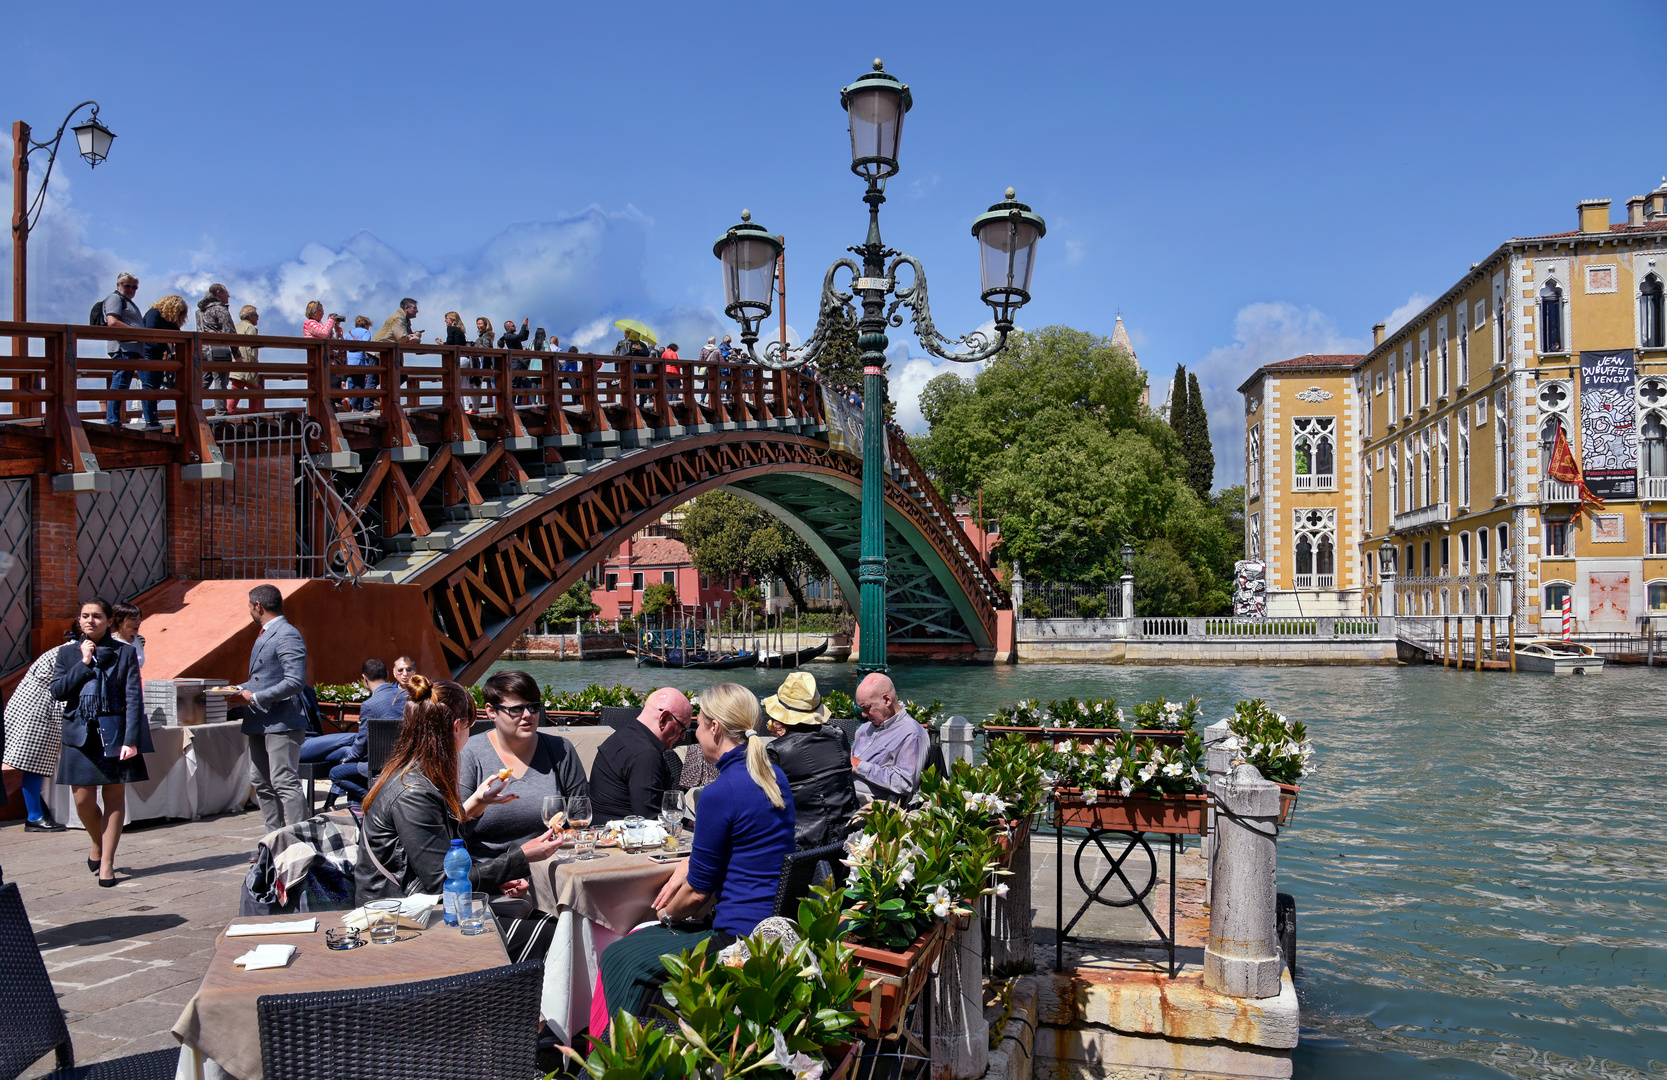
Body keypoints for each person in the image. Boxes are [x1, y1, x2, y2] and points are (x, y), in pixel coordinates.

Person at [598, 683, 794, 1024]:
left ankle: (630, 1056)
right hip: (771, 931)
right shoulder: (773, 776)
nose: (695, 734)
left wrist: (664, 918)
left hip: (736, 939)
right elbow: (746, 848)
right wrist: (691, 862)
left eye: (698, 725)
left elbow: (696, 893)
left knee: (619, 954)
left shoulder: (721, 792)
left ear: (714, 728)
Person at [355, 676, 564, 965]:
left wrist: (475, 805)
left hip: (421, 907)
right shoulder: (413, 792)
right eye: (470, 725)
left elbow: (438, 857)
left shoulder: (414, 776)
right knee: (557, 936)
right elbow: (442, 881)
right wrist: (521, 858)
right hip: (400, 922)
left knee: (547, 921)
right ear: (457, 728)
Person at [52, 599, 151, 886]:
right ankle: (98, 842)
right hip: (79, 733)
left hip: (114, 732)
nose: (90, 621)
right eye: (85, 616)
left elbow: (134, 697)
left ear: (109, 621)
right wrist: (84, 662)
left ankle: (107, 862)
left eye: (97, 616)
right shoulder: (67, 653)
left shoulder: (125, 652)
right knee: (82, 800)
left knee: (113, 797)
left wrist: (131, 739)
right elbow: (58, 691)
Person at [457, 670, 588, 862]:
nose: (528, 715)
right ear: (491, 711)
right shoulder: (469, 754)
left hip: (552, 864)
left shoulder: (561, 750)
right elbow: (455, 830)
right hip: (489, 869)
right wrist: (498, 875)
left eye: (534, 707)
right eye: (516, 709)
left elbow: (579, 816)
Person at [238, 584, 310, 832]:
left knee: (283, 780)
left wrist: (256, 697)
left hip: (282, 721)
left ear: (258, 606)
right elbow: (265, 677)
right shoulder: (268, 632)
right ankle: (275, 840)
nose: (249, 611)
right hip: (261, 721)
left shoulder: (286, 633)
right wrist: (238, 690)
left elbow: (295, 681)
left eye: (249, 606)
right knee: (261, 781)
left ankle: (301, 841)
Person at [763, 672, 859, 849]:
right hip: (848, 839)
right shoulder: (839, 735)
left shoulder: (776, 750)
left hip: (803, 848)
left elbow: (766, 806)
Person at [588, 687, 691, 822]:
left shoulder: (625, 735)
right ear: (664, 718)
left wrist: (688, 822)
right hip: (625, 837)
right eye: (682, 728)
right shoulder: (645, 755)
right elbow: (650, 820)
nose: (683, 737)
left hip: (605, 831)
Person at [3, 648, 69, 832]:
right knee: (33, 762)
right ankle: (35, 816)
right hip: (37, 708)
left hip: (35, 706)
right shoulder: (68, 652)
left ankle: (37, 812)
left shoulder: (65, 650)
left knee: (32, 763)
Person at [850, 672, 930, 805]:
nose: (863, 714)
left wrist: (859, 766)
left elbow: (904, 783)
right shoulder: (865, 729)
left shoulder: (912, 734)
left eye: (867, 708)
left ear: (887, 700)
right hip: (843, 793)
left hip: (872, 805)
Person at [133, 294, 187, 429]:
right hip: (146, 353)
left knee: (156, 386)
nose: (179, 314)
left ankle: (153, 418)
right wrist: (166, 343)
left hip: (158, 356)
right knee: (149, 385)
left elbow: (179, 337)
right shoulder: (154, 313)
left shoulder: (171, 323)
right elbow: (150, 332)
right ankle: (150, 419)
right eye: (178, 311)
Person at [102, 273, 144, 426]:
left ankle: (114, 419)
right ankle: (113, 420)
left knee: (122, 383)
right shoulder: (115, 298)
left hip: (129, 348)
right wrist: (138, 333)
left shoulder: (127, 301)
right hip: (123, 348)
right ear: (118, 286)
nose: (131, 289)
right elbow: (112, 322)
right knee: (119, 383)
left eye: (134, 287)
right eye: (127, 286)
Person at [196, 284, 238, 415]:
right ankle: (221, 412)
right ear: (219, 293)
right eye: (227, 293)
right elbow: (229, 333)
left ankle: (190, 408)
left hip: (202, 350)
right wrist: (237, 354)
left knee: (203, 382)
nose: (228, 296)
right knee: (220, 382)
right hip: (219, 351)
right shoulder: (220, 310)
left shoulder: (200, 311)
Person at [230, 304, 261, 414]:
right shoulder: (250, 328)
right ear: (251, 316)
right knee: (247, 389)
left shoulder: (236, 327)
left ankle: (229, 411)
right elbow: (251, 349)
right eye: (256, 315)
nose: (258, 317)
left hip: (235, 362)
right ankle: (253, 413)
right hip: (245, 364)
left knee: (239, 387)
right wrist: (254, 365)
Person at [345, 315, 375, 412]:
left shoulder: (348, 333)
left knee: (352, 383)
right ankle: (352, 405)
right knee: (360, 385)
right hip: (360, 361)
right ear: (365, 325)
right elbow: (365, 345)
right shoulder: (366, 332)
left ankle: (351, 403)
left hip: (348, 362)